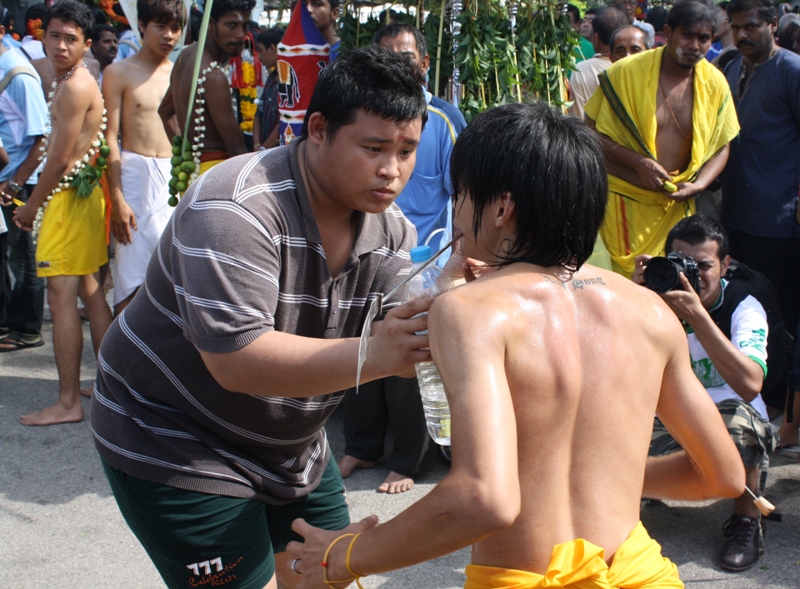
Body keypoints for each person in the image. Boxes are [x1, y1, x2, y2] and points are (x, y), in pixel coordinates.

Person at [287, 101, 745, 589]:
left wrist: (346, 556)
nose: (457, 212)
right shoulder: (652, 311)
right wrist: (617, 471)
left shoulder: (470, 311)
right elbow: (723, 476)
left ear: (502, 207)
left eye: (461, 194)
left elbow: (483, 498)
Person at [92, 47, 432, 589]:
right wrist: (380, 353)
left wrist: (451, 302)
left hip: (292, 447)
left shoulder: (390, 231)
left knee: (329, 578)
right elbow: (237, 359)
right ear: (317, 129)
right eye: (373, 147)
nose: (392, 170)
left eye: (408, 150)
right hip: (176, 437)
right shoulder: (237, 207)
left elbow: (406, 335)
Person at [337, 22, 467, 495]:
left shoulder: (446, 119)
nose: (397, 65)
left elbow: (460, 196)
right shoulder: (361, 113)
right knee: (359, 342)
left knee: (410, 356)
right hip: (367, 249)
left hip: (422, 259)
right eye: (386, 55)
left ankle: (408, 461)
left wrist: (454, 263)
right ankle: (363, 444)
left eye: (406, 57)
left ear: (425, 64)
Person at [632, 214, 781, 572]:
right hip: (672, 416)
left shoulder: (744, 304)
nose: (690, 275)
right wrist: (632, 299)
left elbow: (750, 384)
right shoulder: (650, 300)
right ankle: (623, 515)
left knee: (738, 426)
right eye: (680, 263)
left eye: (703, 265)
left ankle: (746, 521)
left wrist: (698, 317)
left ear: (726, 265)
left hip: (732, 417)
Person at [584, 0, 739, 278]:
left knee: (673, 284)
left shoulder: (715, 83)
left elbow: (722, 145)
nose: (694, 45)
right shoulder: (626, 72)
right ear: (667, 33)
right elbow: (589, 133)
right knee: (627, 289)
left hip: (678, 207)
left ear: (712, 40)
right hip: (626, 203)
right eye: (687, 35)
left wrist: (699, 185)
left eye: (703, 38)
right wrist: (638, 162)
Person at [13, 0, 113, 425]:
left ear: (85, 43)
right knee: (90, 291)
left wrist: (30, 206)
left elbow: (58, 161)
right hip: (81, 198)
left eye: (71, 38)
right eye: (54, 35)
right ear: (43, 34)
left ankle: (69, 402)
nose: (60, 45)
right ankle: (111, 387)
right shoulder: (73, 78)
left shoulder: (74, 86)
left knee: (62, 299)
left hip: (69, 199)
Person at [720, 0, 800, 348]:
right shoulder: (732, 65)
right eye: (736, 28)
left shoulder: (791, 70)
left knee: (776, 310)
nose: (741, 35)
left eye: (750, 26)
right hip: (735, 211)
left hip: (777, 217)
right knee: (741, 303)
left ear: (773, 25)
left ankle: (777, 393)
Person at [102, 0, 185, 316]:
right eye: (160, 26)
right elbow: (110, 136)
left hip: (174, 178)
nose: (168, 35)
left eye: (175, 28)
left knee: (172, 275)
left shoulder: (180, 73)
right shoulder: (118, 72)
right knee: (129, 278)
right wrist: (118, 198)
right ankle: (121, 361)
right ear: (142, 26)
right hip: (133, 175)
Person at [158, 0, 254, 174]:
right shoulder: (214, 76)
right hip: (214, 175)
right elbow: (236, 151)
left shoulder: (185, 56)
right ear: (211, 24)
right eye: (231, 25)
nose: (241, 34)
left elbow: (165, 113)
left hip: (189, 175)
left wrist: (185, 158)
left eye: (245, 26)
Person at [0, 19, 48, 353]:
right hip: (9, 179)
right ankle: (9, 322)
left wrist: (15, 184)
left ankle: (27, 328)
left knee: (26, 257)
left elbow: (42, 138)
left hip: (21, 182)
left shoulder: (18, 73)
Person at [568, 7, 629, 120]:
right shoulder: (635, 68)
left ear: (596, 38)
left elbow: (577, 119)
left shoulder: (581, 69)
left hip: (592, 136)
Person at [253, 27, 283, 150]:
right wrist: (257, 146)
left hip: (277, 152)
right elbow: (258, 114)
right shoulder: (271, 79)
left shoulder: (288, 81)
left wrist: (263, 149)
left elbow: (282, 123)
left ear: (272, 48)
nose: (259, 57)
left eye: (260, 50)